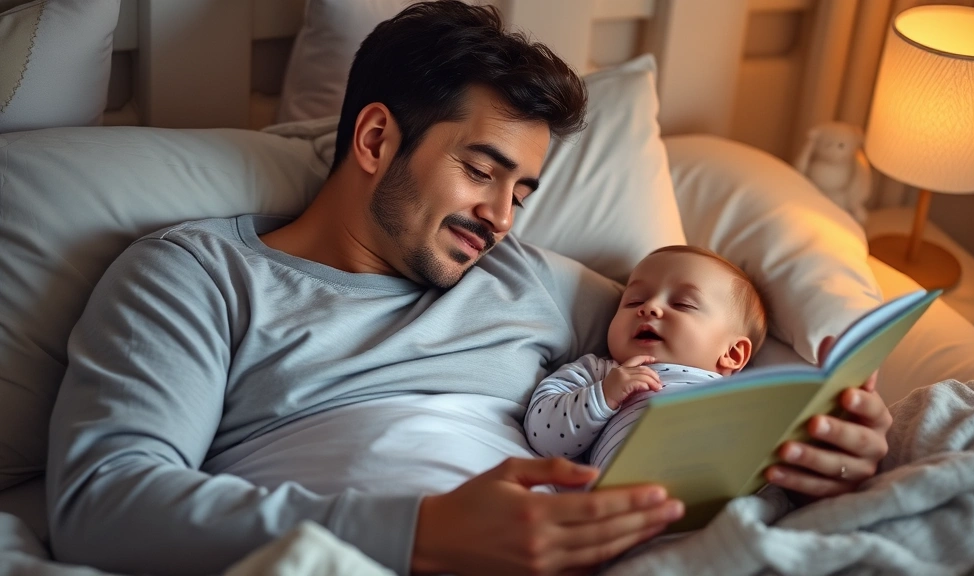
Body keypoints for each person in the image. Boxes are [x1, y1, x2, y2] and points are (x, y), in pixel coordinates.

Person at [46, 2, 894, 575]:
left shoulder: (530, 279)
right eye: (480, 171)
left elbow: (697, 353)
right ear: (377, 137)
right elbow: (102, 499)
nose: (500, 217)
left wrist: (821, 440)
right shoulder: (199, 276)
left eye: (522, 192)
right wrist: (419, 534)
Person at [526, 245, 767, 470]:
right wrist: (603, 396)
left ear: (732, 354)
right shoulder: (600, 373)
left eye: (682, 304)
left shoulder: (744, 395)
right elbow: (541, 436)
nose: (650, 307)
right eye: (634, 301)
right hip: (637, 495)